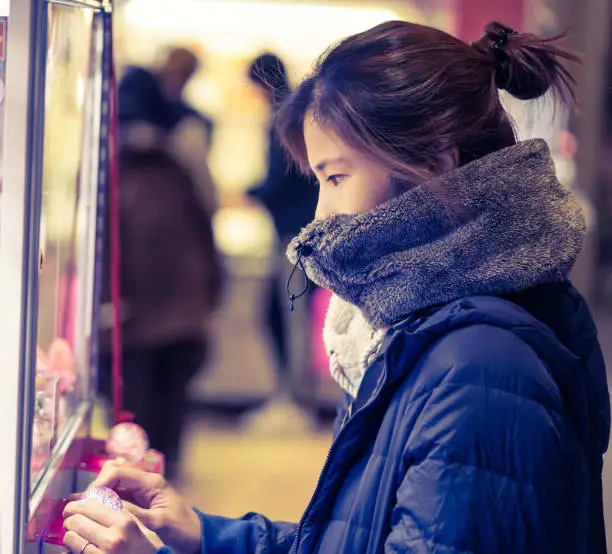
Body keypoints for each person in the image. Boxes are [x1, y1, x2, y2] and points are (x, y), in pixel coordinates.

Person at [65, 20, 609, 554]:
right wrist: (204, 534)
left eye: (336, 177)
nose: (321, 212)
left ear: (433, 168)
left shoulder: (480, 365)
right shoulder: (426, 331)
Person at [98, 47, 222, 483]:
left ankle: (144, 478)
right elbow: (207, 232)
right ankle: (165, 471)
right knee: (170, 401)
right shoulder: (179, 167)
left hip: (137, 315)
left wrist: (108, 302)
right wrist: (210, 295)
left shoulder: (114, 172)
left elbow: (107, 245)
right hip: (183, 312)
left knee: (140, 404)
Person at [245, 53, 318, 417]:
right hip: (302, 231)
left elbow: (280, 181)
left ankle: (293, 400)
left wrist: (248, 194)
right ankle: (295, 397)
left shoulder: (281, 118)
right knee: (291, 315)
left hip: (293, 235)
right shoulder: (301, 110)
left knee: (290, 315)